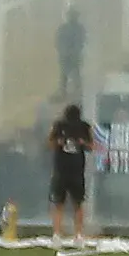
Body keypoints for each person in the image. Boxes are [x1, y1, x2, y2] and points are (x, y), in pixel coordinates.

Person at [46, 102, 96, 246]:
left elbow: (92, 146)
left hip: (76, 171)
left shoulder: (84, 127)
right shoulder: (59, 126)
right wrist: (59, 142)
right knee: (59, 203)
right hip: (62, 170)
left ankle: (78, 235)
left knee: (77, 203)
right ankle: (57, 234)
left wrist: (82, 143)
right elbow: (50, 143)